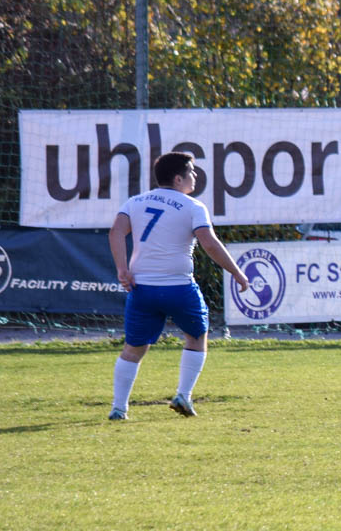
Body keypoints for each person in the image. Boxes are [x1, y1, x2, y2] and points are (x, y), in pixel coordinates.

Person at [106, 150, 250, 420]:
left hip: (142, 288)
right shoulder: (193, 206)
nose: (195, 176)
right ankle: (183, 395)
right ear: (178, 178)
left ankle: (118, 408)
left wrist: (122, 269)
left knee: (134, 347)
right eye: (191, 172)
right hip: (179, 287)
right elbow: (209, 244)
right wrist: (237, 273)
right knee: (196, 337)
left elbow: (116, 232)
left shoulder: (135, 202)